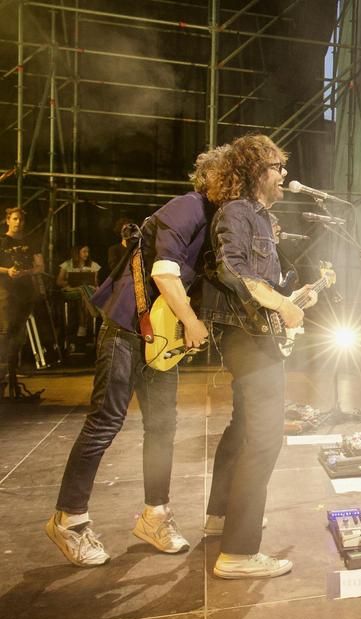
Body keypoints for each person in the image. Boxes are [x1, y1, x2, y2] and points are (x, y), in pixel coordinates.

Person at [43, 146, 226, 567]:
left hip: (159, 337)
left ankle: (154, 515)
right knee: (105, 421)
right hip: (127, 328)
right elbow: (163, 272)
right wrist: (193, 324)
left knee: (162, 428)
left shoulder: (214, 221)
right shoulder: (188, 206)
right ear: (213, 179)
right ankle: (68, 519)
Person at [198, 134, 305, 579]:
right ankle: (240, 553)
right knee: (265, 438)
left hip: (255, 334)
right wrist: (283, 306)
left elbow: (263, 285)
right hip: (248, 340)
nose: (284, 175)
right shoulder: (238, 212)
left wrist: (292, 299)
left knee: (243, 430)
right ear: (257, 171)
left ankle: (222, 517)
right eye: (277, 167)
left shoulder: (259, 217)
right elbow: (232, 268)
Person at [0, 206, 44, 398]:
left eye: (21, 220)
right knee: (5, 332)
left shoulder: (30, 242)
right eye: (14, 219)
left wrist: (26, 272)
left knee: (18, 335)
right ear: (7, 220)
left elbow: (40, 266)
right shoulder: (2, 241)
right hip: (6, 292)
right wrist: (7, 271)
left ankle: (13, 380)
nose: (18, 223)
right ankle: (3, 379)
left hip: (25, 293)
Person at [56, 243, 101, 351]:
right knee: (82, 289)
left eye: (88, 252)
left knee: (84, 290)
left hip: (86, 291)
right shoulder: (67, 265)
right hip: (71, 290)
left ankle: (82, 327)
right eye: (84, 251)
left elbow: (95, 282)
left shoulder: (93, 265)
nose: (87, 254)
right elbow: (59, 281)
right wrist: (68, 283)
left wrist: (95, 286)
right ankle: (93, 314)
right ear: (77, 253)